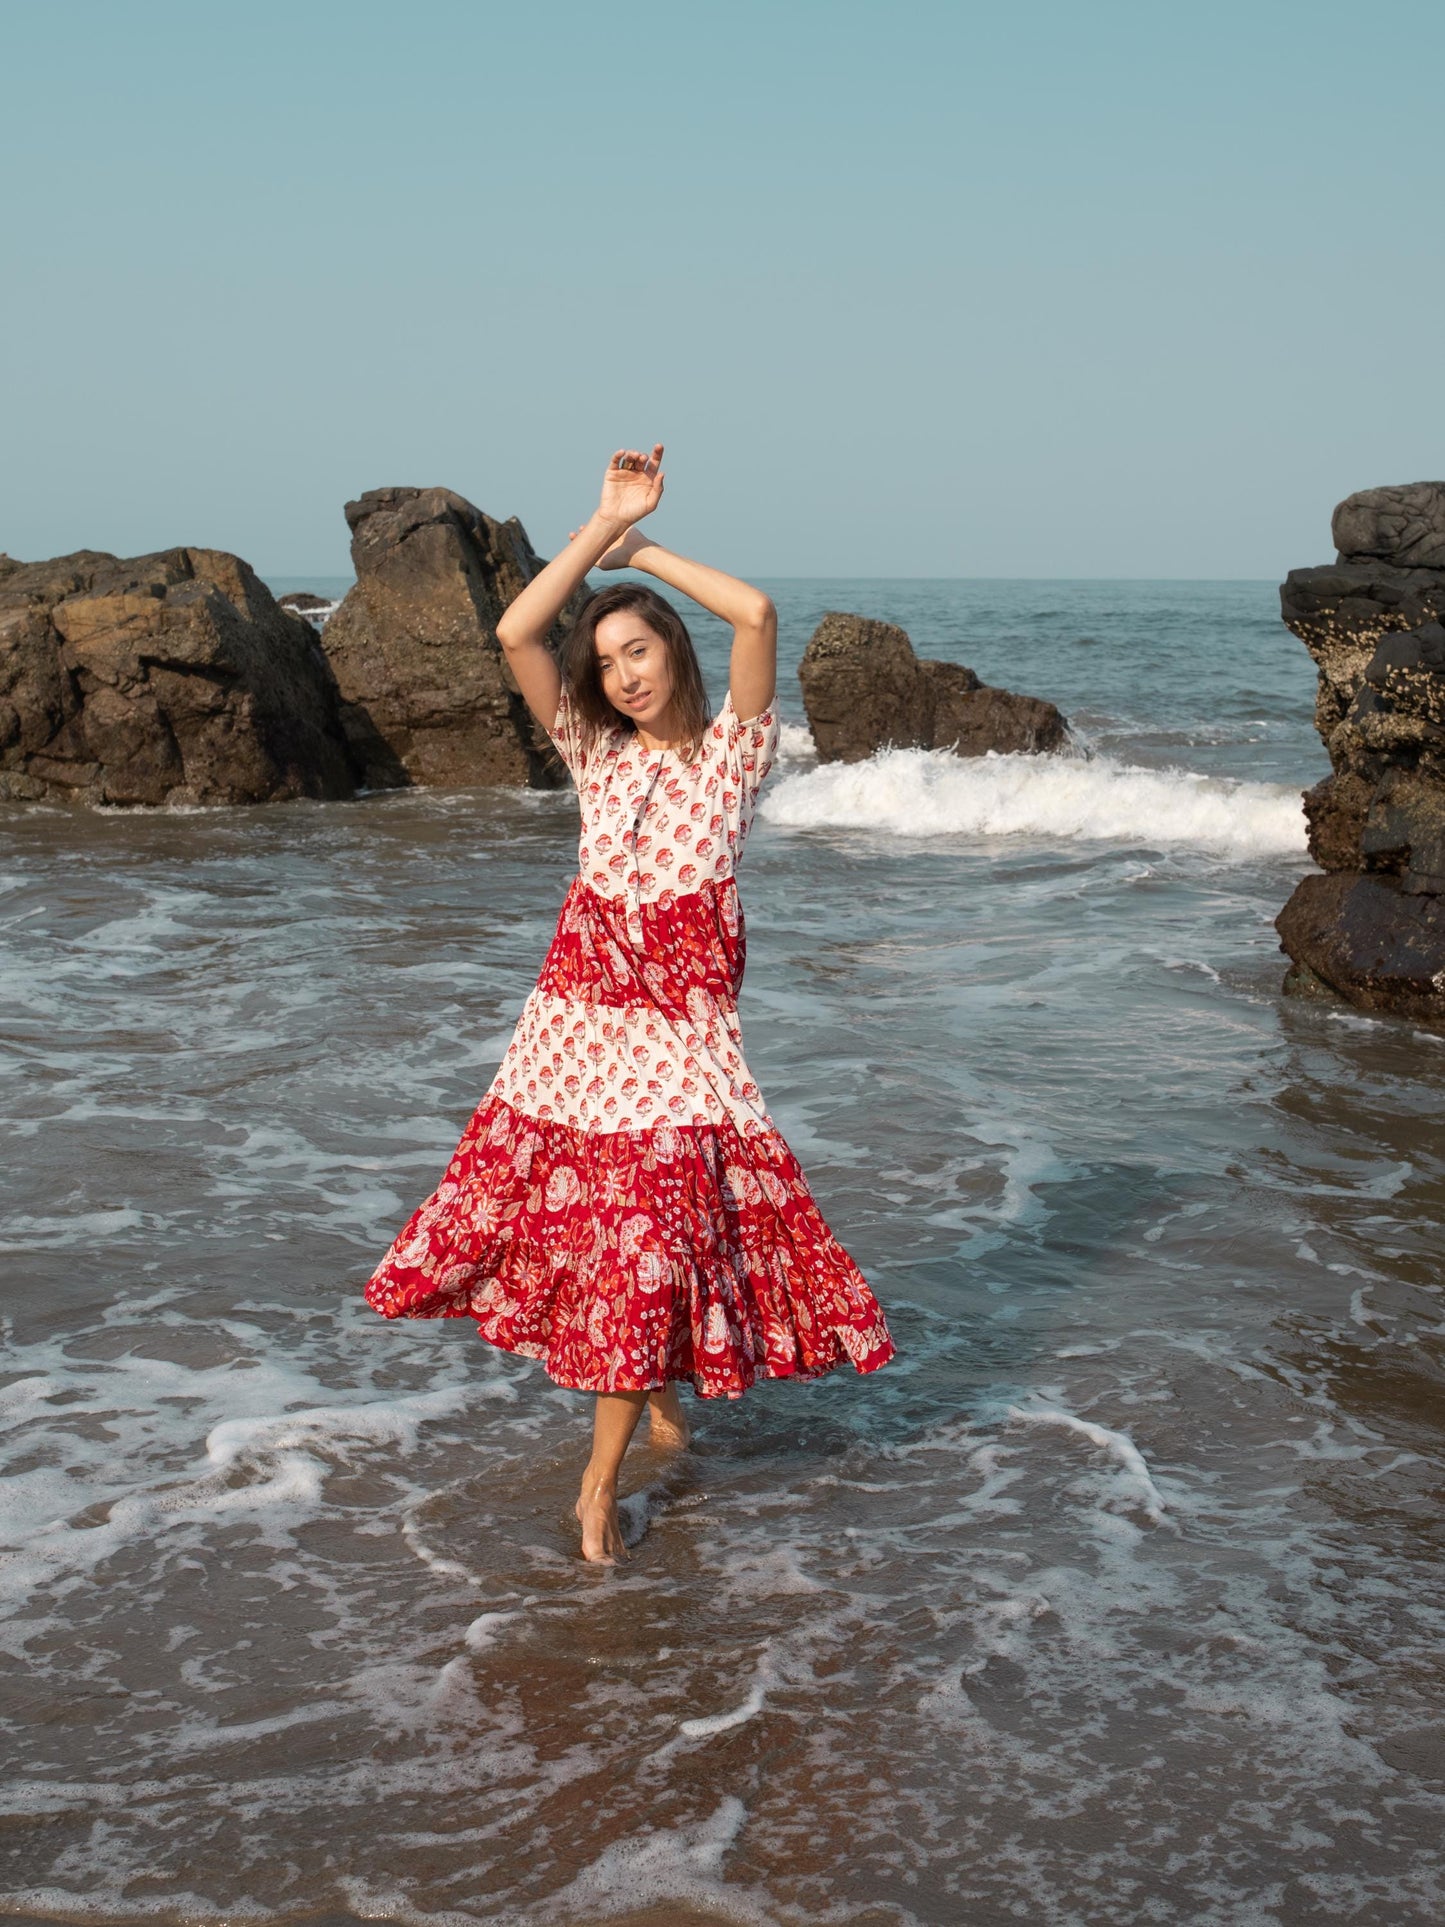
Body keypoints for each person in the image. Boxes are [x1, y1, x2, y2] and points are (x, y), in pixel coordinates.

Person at [364, 444, 895, 1562]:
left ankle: (594, 1488)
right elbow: (516, 635)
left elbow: (753, 609)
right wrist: (593, 533)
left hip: (680, 1053)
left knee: (647, 1252)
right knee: (608, 1254)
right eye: (605, 661)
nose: (622, 676)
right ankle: (649, 1402)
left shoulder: (730, 761)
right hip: (570, 1043)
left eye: (638, 648)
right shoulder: (593, 760)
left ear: (671, 653)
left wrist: (640, 544)